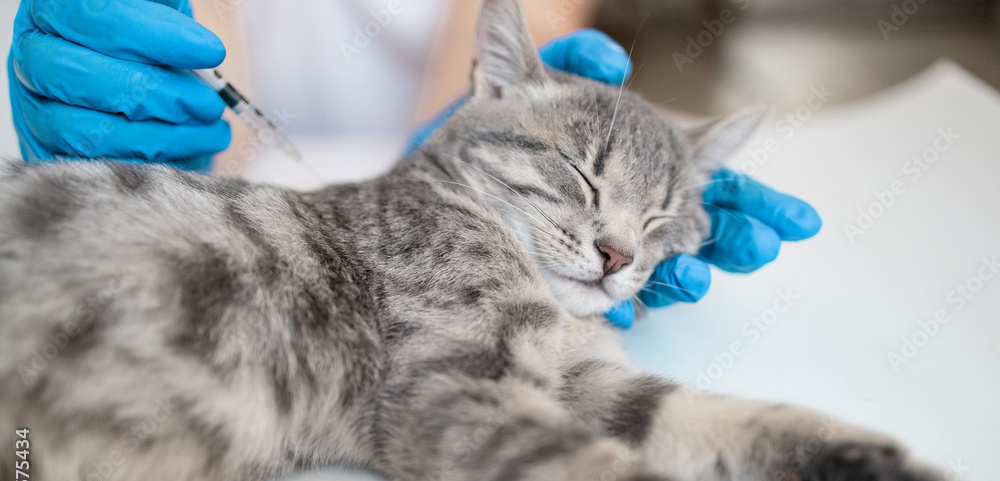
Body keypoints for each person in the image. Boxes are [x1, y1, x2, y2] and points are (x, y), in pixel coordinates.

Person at [5, 0, 821, 328]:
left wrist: (635, 176)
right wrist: (139, 131)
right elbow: (216, 95)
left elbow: (510, 36)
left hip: (407, 180)